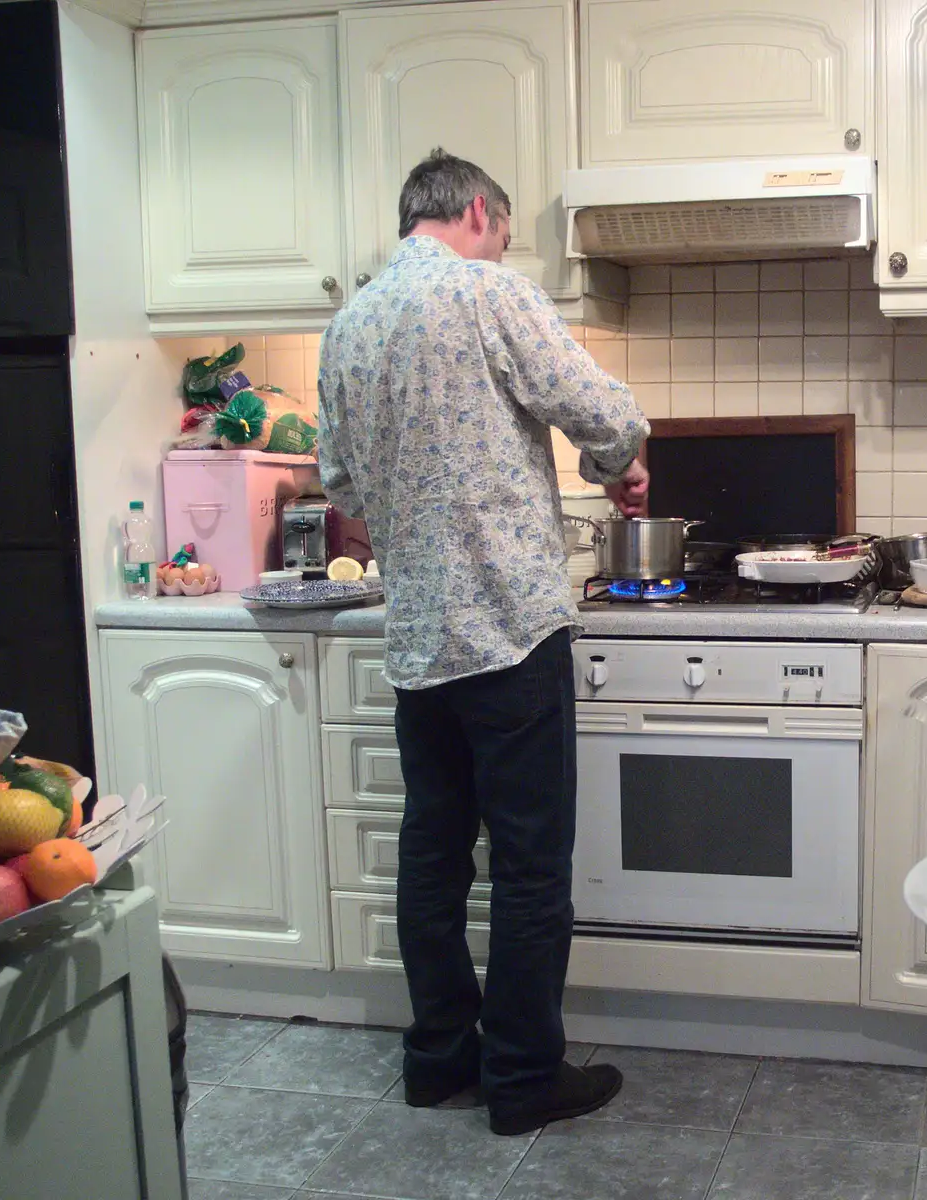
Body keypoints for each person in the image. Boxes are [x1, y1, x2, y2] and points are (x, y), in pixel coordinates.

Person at [317, 148, 649, 1137]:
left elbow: (339, 481)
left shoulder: (349, 325)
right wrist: (618, 465)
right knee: (532, 867)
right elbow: (606, 413)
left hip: (418, 640)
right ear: (476, 212)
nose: (501, 246)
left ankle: (436, 1061)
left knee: (432, 858)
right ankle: (521, 1079)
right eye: (502, 230)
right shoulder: (487, 292)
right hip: (507, 629)